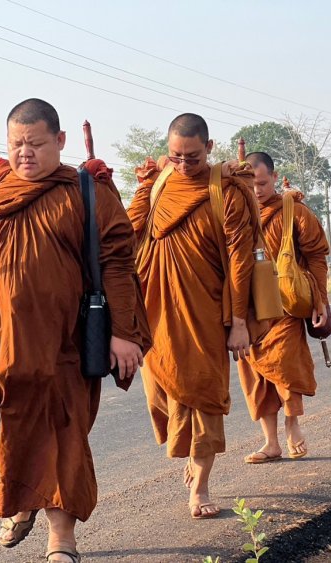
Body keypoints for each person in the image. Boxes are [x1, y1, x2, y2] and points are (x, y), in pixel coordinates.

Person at [0, 99, 149, 563]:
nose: (25, 153)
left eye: (36, 144)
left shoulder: (89, 193)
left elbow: (118, 263)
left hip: (61, 346)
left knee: (61, 437)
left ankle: (61, 540)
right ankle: (20, 504)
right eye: (17, 144)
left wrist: (123, 331)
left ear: (59, 142)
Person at [127, 113, 258, 519]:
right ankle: (188, 453)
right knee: (161, 393)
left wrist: (238, 323)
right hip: (156, 311)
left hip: (204, 314)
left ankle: (199, 488)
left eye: (193, 156)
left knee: (202, 398)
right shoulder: (158, 186)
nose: (184, 163)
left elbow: (240, 262)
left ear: (210, 147)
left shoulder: (227, 191)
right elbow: (127, 234)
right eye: (176, 155)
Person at [237, 152, 329, 463]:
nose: (256, 190)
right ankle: (270, 442)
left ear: (274, 178)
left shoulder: (295, 211)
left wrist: (321, 301)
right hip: (248, 308)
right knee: (256, 377)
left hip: (284, 305)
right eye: (250, 184)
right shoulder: (234, 212)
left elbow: (316, 257)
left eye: (262, 183)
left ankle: (293, 425)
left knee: (286, 365)